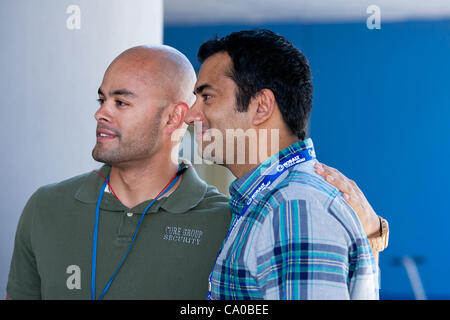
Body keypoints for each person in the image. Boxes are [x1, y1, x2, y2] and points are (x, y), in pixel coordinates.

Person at [6, 45, 232, 299]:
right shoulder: (45, 207)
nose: (100, 113)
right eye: (102, 100)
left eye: (121, 102)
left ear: (173, 117)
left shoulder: (227, 222)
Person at [185, 29, 388, 299]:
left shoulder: (293, 208)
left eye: (207, 97)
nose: (190, 115)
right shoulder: (277, 200)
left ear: (261, 107)